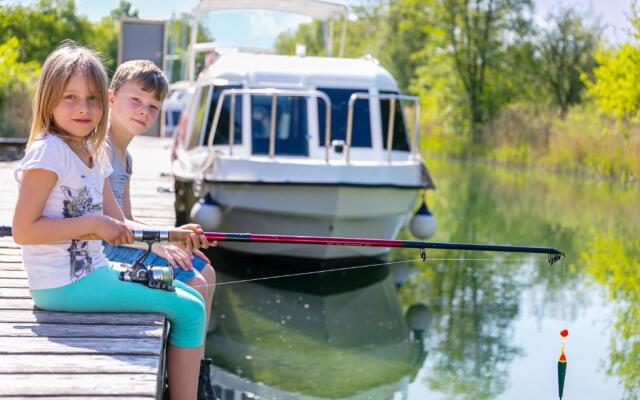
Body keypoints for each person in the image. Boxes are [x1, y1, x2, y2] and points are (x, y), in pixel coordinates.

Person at [12, 41, 205, 400]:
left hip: (92, 272)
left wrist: (172, 236)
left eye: (93, 99)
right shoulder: (49, 152)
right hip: (61, 285)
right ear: (48, 99)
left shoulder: (91, 150)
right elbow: (24, 231)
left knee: (193, 294)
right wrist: (94, 224)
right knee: (190, 309)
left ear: (105, 101)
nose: (83, 109)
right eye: (70, 97)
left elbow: (120, 227)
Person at [102, 59, 217, 399]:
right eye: (135, 100)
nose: (144, 111)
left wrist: (172, 233)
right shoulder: (102, 147)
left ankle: (193, 373)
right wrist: (157, 245)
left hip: (121, 240)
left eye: (153, 106)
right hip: (103, 249)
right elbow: (115, 226)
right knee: (193, 282)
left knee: (207, 273)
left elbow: (128, 217)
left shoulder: (126, 154)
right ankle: (178, 384)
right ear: (111, 98)